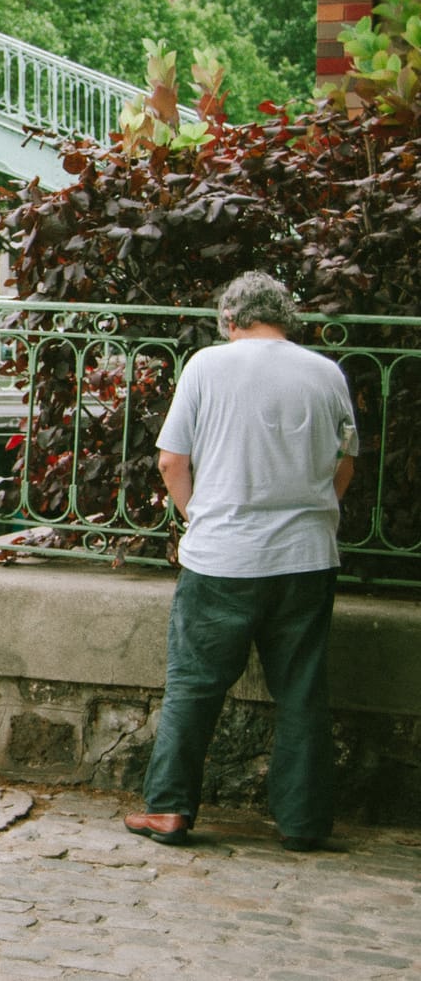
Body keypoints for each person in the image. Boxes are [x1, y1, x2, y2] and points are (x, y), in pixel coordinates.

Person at [125, 272, 357, 852]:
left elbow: (171, 462)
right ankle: (303, 823)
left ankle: (170, 810)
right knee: (302, 690)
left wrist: (198, 515)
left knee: (194, 686)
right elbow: (345, 465)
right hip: (306, 556)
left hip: (223, 557)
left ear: (228, 319)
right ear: (287, 317)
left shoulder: (207, 366)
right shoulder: (326, 373)